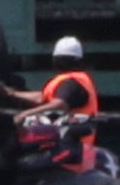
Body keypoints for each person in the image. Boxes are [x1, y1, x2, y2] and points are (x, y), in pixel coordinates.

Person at [16, 36, 102, 176]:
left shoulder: (71, 83)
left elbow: (60, 104)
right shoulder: (75, 81)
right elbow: (42, 98)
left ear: (55, 61)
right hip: (77, 150)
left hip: (71, 151)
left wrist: (25, 115)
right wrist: (11, 94)